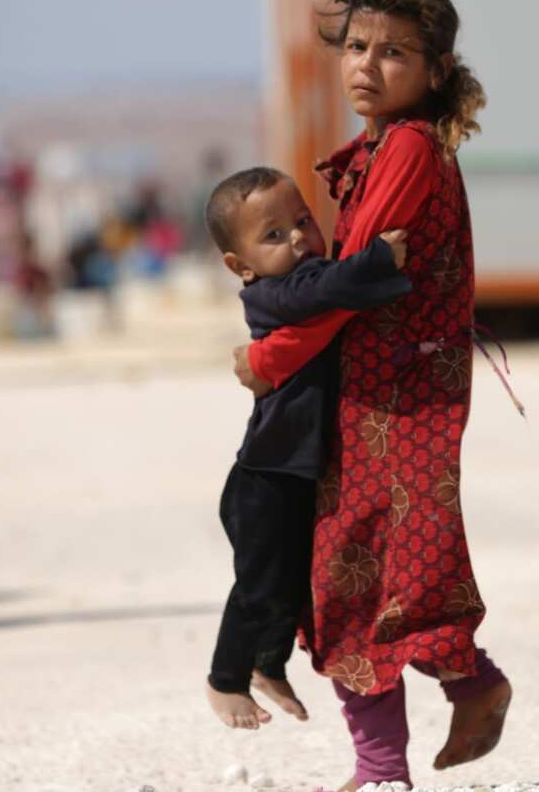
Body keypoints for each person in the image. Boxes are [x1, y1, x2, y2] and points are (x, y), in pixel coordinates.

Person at [231, 0, 511, 789]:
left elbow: (353, 280)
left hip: (404, 399)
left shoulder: (413, 148)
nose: (367, 64)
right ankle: (461, 694)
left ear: (434, 71)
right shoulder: (386, 146)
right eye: (357, 45)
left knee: (376, 568)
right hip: (367, 400)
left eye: (394, 51)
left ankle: (393, 757)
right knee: (371, 568)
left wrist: (270, 357)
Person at [203, 166, 411, 730]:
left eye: (302, 221)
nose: (296, 238)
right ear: (240, 266)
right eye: (273, 235)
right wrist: (376, 262)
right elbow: (325, 290)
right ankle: (225, 679)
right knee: (260, 584)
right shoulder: (273, 296)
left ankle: (269, 665)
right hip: (265, 477)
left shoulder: (309, 281)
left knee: (293, 581)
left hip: (295, 472)